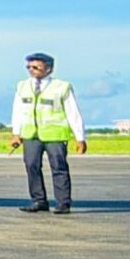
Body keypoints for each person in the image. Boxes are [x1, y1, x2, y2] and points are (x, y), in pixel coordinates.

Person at [8, 52, 86, 214]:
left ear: (48, 69)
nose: (31, 70)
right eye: (28, 66)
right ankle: (39, 200)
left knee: (59, 168)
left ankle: (63, 203)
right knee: (31, 166)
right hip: (31, 135)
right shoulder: (22, 86)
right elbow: (18, 111)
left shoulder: (61, 87)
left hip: (55, 136)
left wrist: (80, 137)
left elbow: (73, 112)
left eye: (36, 67)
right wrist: (16, 133)